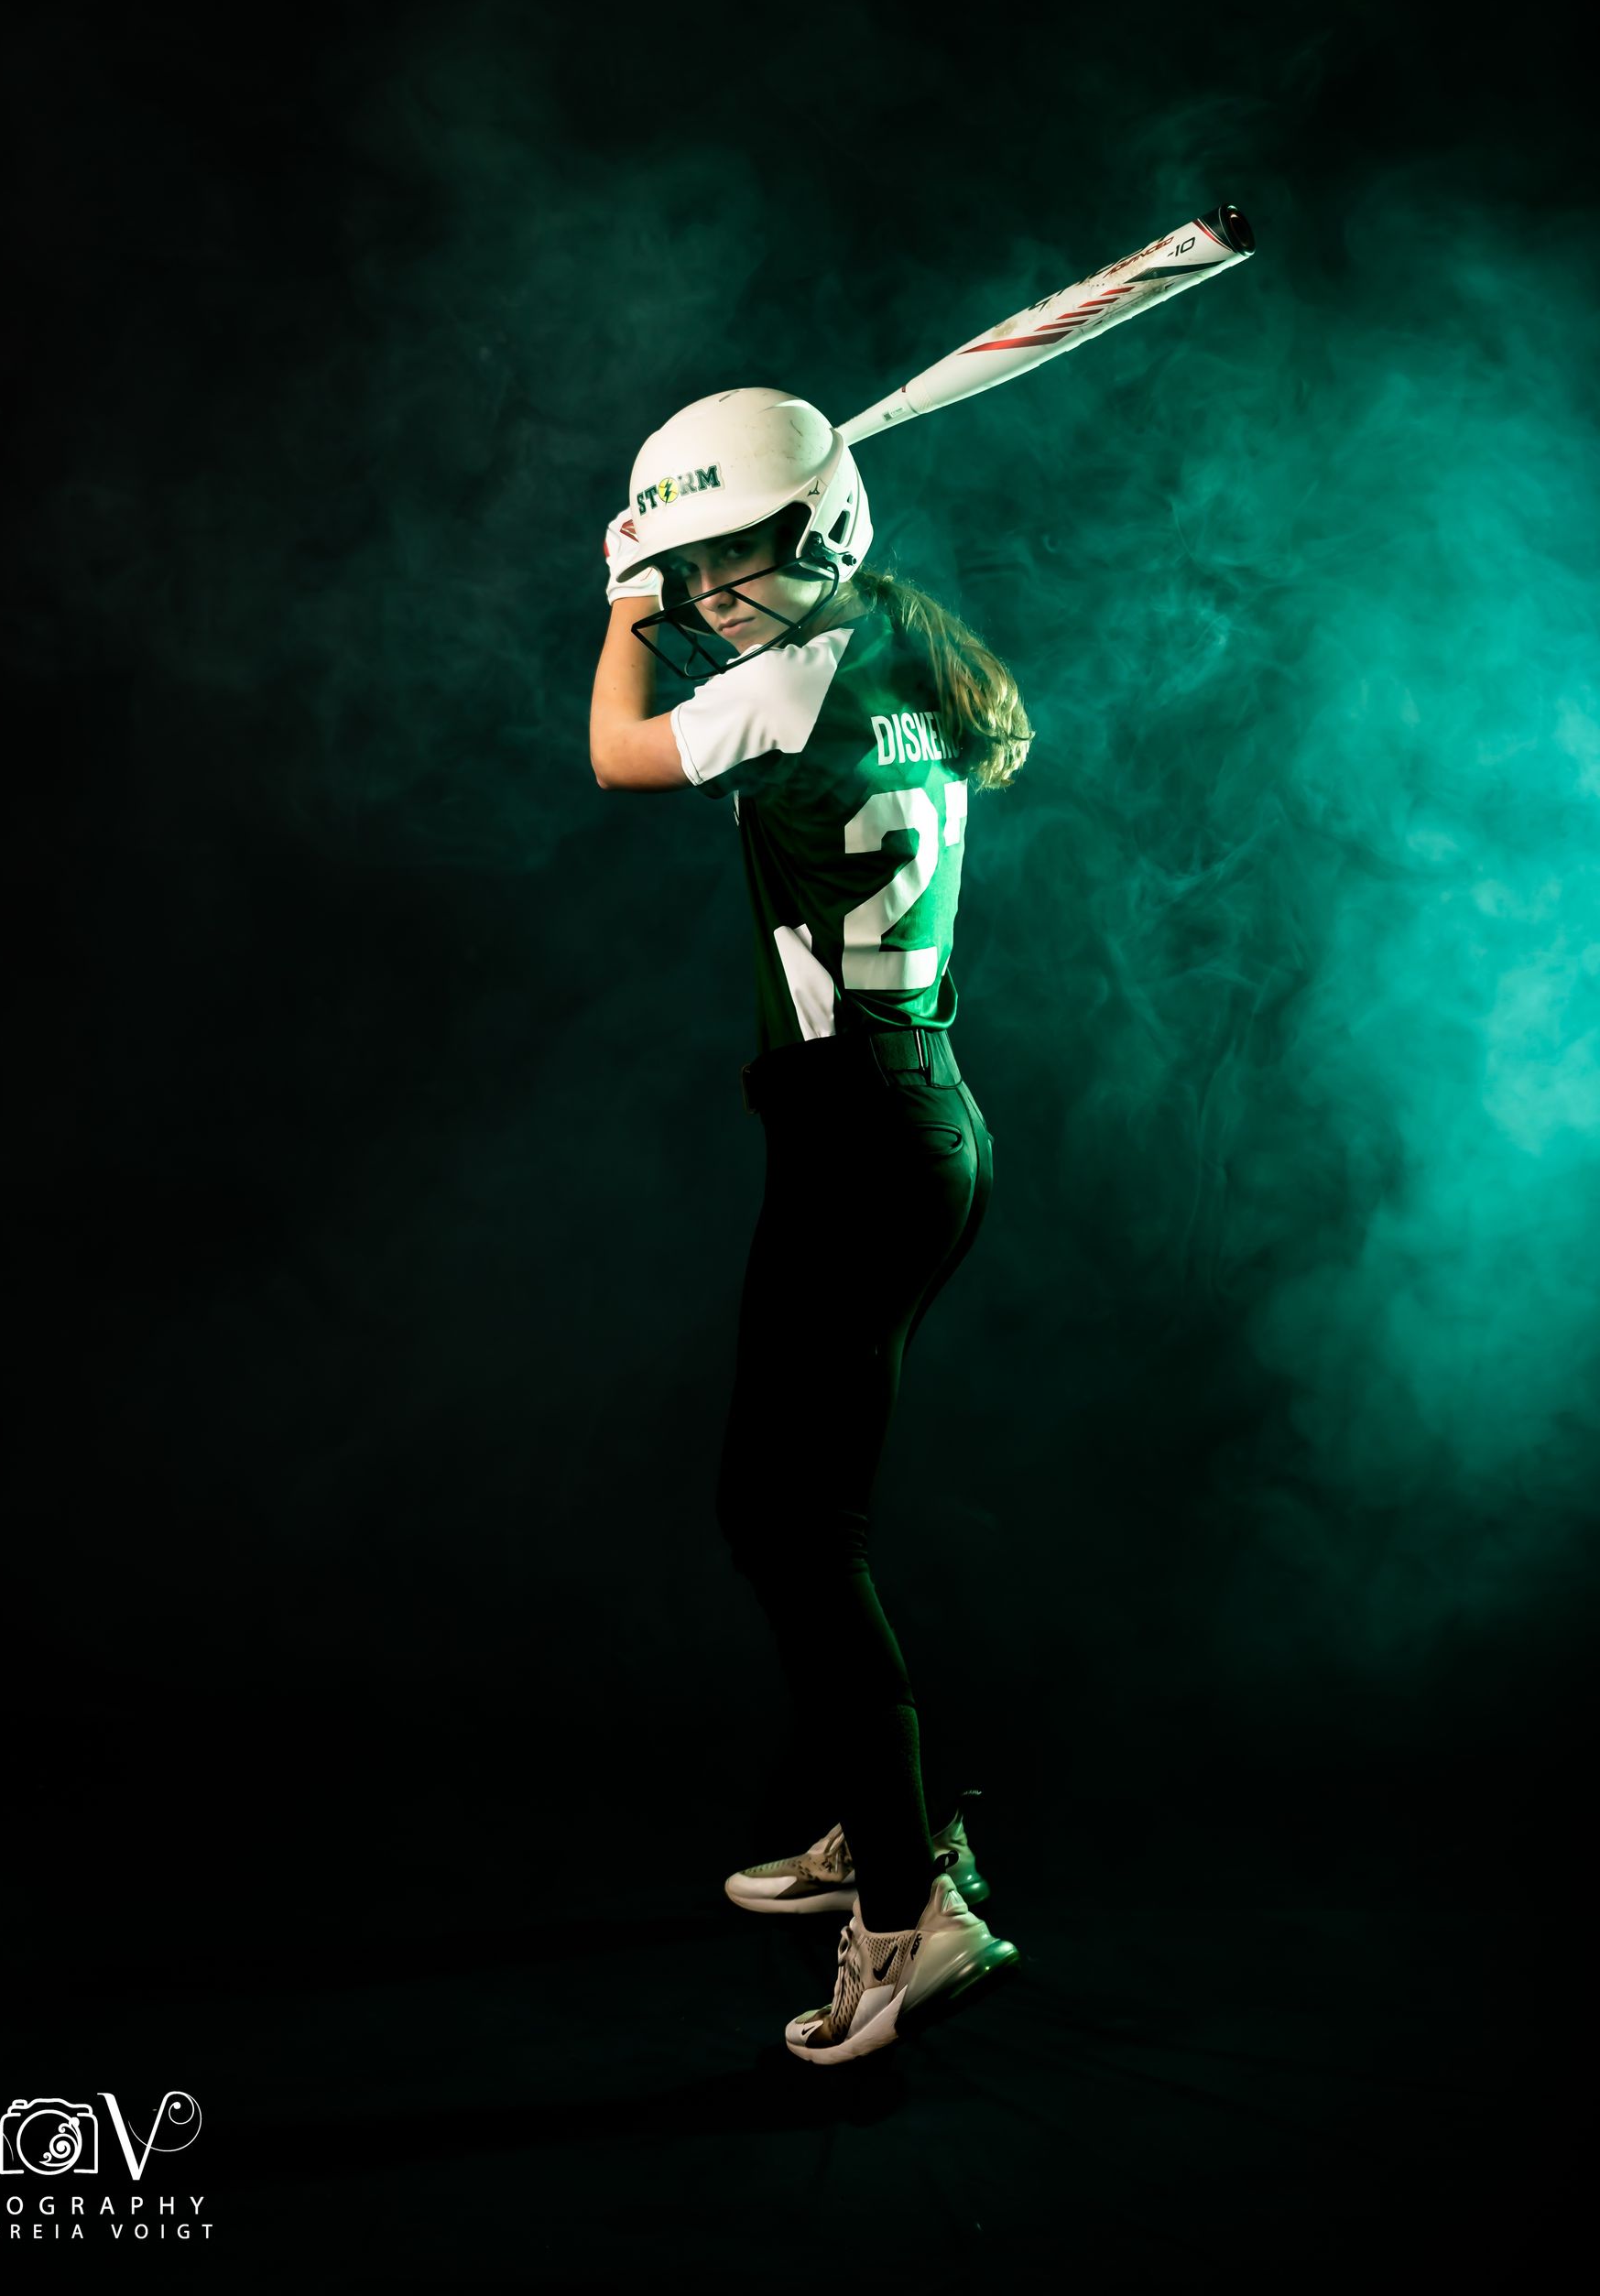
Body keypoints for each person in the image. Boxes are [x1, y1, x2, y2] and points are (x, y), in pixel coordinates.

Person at [588, 386, 1033, 2065]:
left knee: (790, 1531)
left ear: (826, 534)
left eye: (731, 564)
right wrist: (681, 568)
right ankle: (886, 1815)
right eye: (689, 577)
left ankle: (916, 1915)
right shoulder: (907, 647)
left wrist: (618, 612)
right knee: (802, 1513)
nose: (708, 602)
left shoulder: (786, 679)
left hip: (866, 1143)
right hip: (914, 1125)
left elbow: (620, 752)